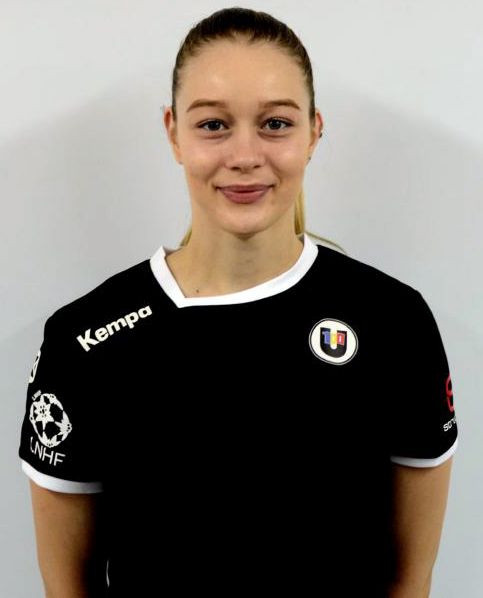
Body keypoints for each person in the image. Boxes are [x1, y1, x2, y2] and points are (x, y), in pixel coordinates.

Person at [18, 7, 458, 597]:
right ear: (173, 132)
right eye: (213, 125)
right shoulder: (84, 341)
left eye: (275, 124)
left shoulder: (394, 322)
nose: (245, 155)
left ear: (314, 132)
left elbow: (411, 579)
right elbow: (67, 586)